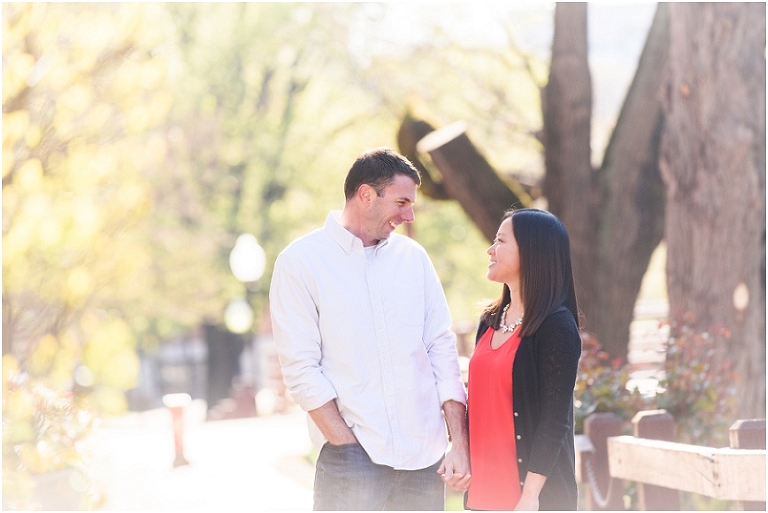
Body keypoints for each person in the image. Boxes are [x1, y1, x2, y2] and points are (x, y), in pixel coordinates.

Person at [269, 147, 470, 511]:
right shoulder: (300, 263)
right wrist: (345, 444)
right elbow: (300, 369)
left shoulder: (414, 260)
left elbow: (441, 349)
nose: (409, 215)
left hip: (424, 460)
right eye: (402, 202)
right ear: (366, 195)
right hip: (352, 459)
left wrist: (458, 443)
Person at [465, 208, 582, 511]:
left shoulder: (556, 326)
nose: (490, 250)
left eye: (501, 241)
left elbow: (554, 420)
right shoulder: (489, 320)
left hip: (530, 498)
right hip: (483, 493)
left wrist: (530, 497)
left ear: (532, 252)